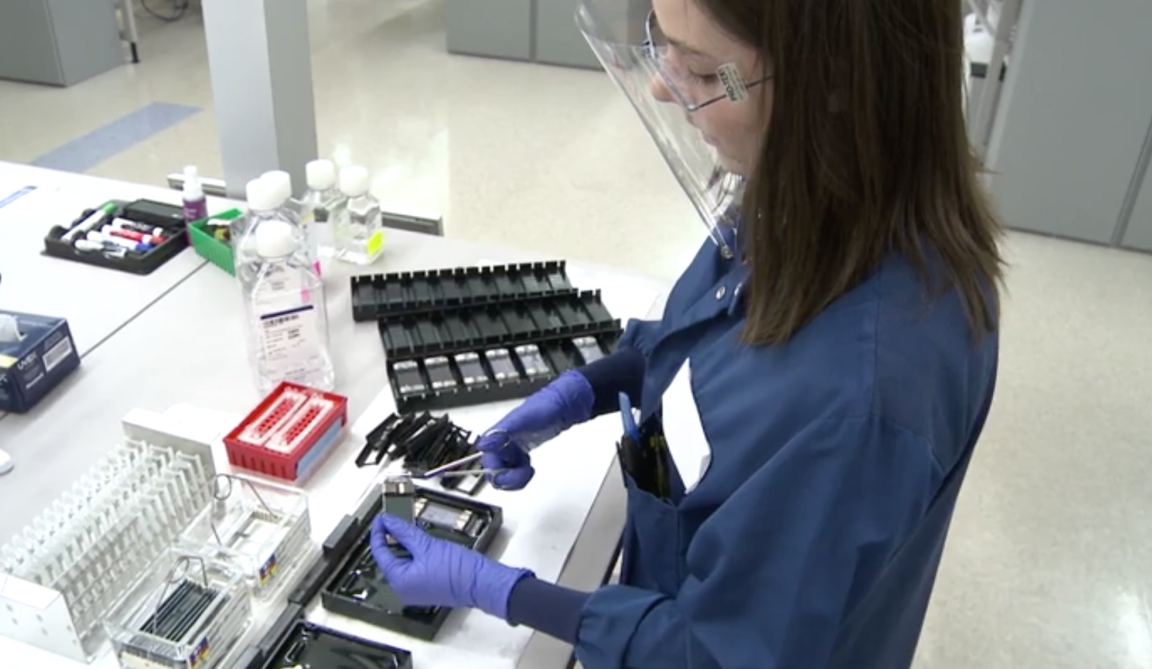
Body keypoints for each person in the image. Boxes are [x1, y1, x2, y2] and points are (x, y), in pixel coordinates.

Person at [368, 0, 1004, 666]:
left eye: (700, 71)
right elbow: (708, 346)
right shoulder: (808, 191)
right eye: (659, 42)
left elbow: (718, 652)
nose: (661, 84)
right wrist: (586, 388)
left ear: (835, 81)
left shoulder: (859, 399)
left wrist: (505, 592)